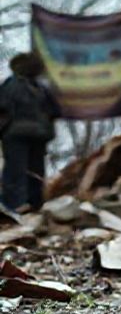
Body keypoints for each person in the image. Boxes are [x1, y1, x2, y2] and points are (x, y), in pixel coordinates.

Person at [0, 52, 61, 213]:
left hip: (15, 134)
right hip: (39, 134)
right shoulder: (41, 88)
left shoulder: (9, 85)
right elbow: (56, 110)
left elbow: (2, 109)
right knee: (35, 170)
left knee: (15, 171)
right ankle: (35, 204)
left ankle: (14, 206)